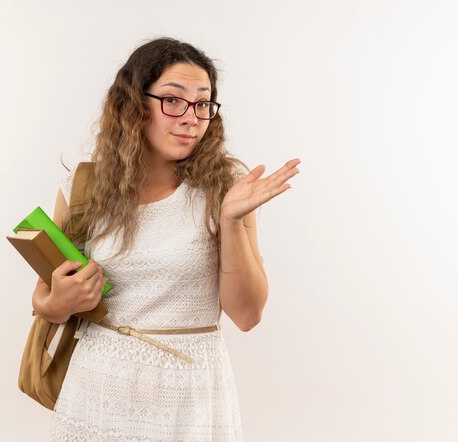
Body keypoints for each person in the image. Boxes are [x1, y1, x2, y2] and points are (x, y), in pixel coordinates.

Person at [32, 37, 300, 441]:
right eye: (173, 100)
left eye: (203, 103)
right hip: (97, 392)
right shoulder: (84, 186)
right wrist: (58, 302)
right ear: (134, 106)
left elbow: (247, 315)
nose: (192, 117)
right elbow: (43, 297)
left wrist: (230, 221)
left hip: (191, 397)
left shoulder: (226, 188)